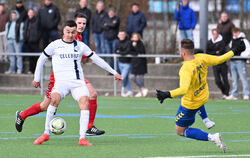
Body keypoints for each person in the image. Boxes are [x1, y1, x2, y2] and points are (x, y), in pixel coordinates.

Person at [31, 20, 122, 145]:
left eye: (73, 32)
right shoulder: (55, 45)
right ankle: (46, 133)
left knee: (85, 102)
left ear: (75, 32)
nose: (70, 34)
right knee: (54, 100)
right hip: (61, 83)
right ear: (63, 31)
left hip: (77, 83)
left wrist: (114, 72)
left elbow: (97, 59)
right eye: (68, 32)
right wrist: (36, 78)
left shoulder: (81, 45)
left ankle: (82, 138)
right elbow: (41, 59)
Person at [15, 13, 106, 136]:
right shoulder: (70, 37)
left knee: (92, 94)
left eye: (84, 23)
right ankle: (22, 115)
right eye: (79, 23)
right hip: (59, 78)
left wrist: (88, 54)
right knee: (45, 106)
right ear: (73, 23)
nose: (82, 25)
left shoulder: (79, 38)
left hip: (74, 77)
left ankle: (89, 127)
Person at [156, 39, 245, 152]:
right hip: (203, 96)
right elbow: (219, 59)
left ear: (183, 53)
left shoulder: (185, 69)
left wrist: (167, 94)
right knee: (195, 99)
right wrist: (234, 50)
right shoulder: (201, 57)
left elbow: (183, 90)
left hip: (190, 104)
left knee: (180, 131)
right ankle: (206, 120)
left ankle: (213, 137)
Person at [226, 27, 249, 100]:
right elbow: (230, 49)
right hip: (233, 61)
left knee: (243, 78)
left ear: (239, 32)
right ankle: (234, 94)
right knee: (234, 79)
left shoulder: (243, 40)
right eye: (234, 33)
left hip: (240, 62)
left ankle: (246, 94)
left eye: (236, 33)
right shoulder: (232, 40)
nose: (235, 34)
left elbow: (248, 50)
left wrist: (241, 55)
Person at [207, 28, 230, 99]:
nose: (215, 35)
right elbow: (208, 52)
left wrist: (216, 52)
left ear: (218, 34)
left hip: (222, 63)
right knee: (217, 80)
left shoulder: (222, 41)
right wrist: (215, 52)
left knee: (225, 79)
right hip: (214, 63)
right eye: (213, 34)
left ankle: (227, 94)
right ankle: (224, 92)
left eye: (216, 34)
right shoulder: (209, 42)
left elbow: (221, 51)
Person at [23, 8, 41, 74]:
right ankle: (31, 70)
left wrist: (37, 38)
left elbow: (40, 31)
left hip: (35, 42)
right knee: (30, 57)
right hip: (28, 42)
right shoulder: (26, 21)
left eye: (31, 12)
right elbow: (25, 30)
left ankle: (36, 70)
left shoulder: (37, 21)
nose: (30, 14)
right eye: (29, 12)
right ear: (28, 13)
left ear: (33, 13)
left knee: (35, 57)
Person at [130, 33, 148, 97]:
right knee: (133, 77)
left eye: (136, 37)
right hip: (134, 63)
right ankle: (142, 89)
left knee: (141, 78)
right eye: (134, 37)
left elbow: (141, 52)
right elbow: (130, 51)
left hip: (141, 63)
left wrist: (135, 47)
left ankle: (141, 91)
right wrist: (133, 46)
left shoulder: (141, 44)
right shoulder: (130, 43)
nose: (135, 38)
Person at [115, 30, 132, 97]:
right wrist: (121, 52)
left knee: (122, 77)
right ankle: (130, 91)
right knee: (126, 78)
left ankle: (122, 91)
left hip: (127, 63)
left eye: (123, 35)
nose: (121, 36)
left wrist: (120, 52)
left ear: (125, 35)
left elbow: (127, 51)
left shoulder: (128, 42)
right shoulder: (117, 42)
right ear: (118, 36)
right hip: (120, 62)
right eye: (120, 35)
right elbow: (116, 51)